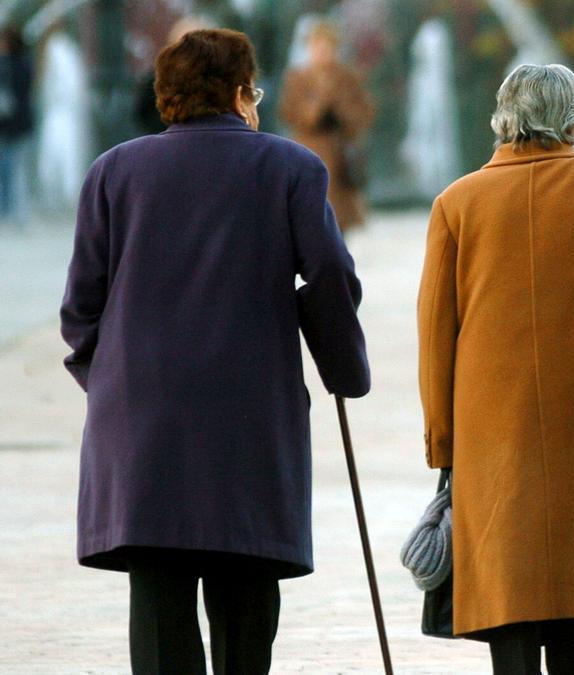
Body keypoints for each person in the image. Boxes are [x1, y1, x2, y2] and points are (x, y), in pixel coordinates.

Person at [59, 29, 369, 674]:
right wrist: (343, 369)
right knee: (246, 595)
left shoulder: (114, 171)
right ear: (238, 94)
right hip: (248, 416)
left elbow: (81, 306)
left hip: (142, 421)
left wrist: (111, 378)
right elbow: (329, 277)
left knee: (159, 604)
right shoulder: (290, 168)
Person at [417, 64, 574, 674]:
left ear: (502, 118)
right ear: (572, 120)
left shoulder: (456, 203)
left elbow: (435, 333)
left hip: (489, 426)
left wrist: (442, 442)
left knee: (506, 587)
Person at [279, 20, 375, 232]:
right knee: (307, 216)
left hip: (339, 156)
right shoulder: (298, 78)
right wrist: (319, 103)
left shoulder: (347, 77)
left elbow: (363, 112)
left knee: (338, 222)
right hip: (308, 151)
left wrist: (342, 109)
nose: (322, 52)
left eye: (327, 46)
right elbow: (290, 113)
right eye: (317, 45)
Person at [0, 27, 34, 224]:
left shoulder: (7, 65)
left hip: (10, 126)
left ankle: (10, 211)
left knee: (10, 170)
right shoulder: (25, 63)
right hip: (20, 125)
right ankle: (15, 212)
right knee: (15, 169)